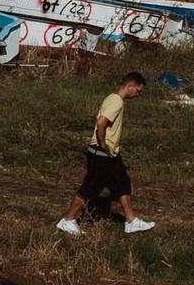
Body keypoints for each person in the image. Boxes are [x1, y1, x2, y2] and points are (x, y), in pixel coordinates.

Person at [59, 72, 152, 235]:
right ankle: (68, 220)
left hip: (111, 154)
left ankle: (131, 221)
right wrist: (103, 144)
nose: (138, 95)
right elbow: (101, 123)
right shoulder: (116, 101)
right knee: (90, 188)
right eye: (138, 91)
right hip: (101, 153)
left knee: (123, 184)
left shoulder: (114, 99)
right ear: (130, 86)